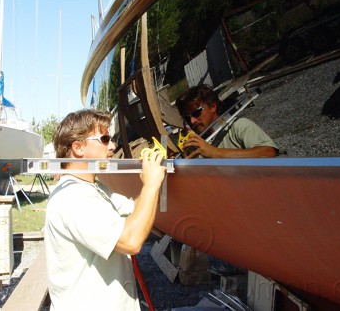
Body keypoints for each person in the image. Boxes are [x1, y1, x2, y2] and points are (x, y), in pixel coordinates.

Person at [45, 109, 166, 310]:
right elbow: (131, 241)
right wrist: (151, 185)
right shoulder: (73, 197)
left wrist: (153, 184)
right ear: (78, 147)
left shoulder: (94, 188)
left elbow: (135, 210)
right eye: (105, 138)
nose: (112, 145)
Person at [175, 84, 278, 158]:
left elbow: (269, 152)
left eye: (196, 113)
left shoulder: (238, 126)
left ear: (212, 106)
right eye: (187, 118)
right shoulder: (196, 146)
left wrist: (216, 153)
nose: (192, 121)